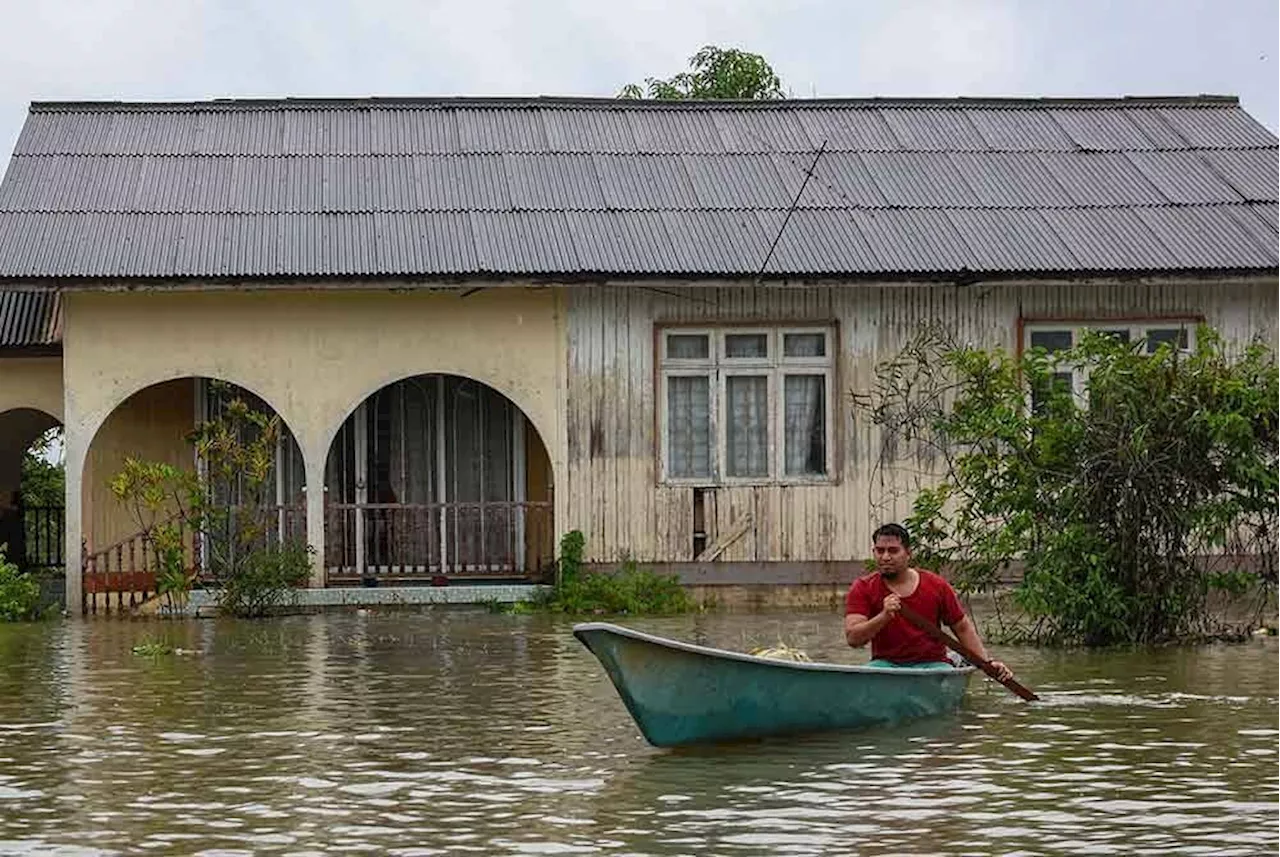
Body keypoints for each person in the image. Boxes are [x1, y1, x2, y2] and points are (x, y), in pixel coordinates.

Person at [845, 522, 1013, 681]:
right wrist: (883, 616)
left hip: (933, 666)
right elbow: (853, 639)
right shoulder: (863, 587)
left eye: (893, 551)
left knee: (942, 670)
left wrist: (987, 664)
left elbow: (962, 628)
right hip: (886, 665)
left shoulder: (936, 585)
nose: (886, 557)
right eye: (880, 551)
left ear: (908, 553)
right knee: (872, 672)